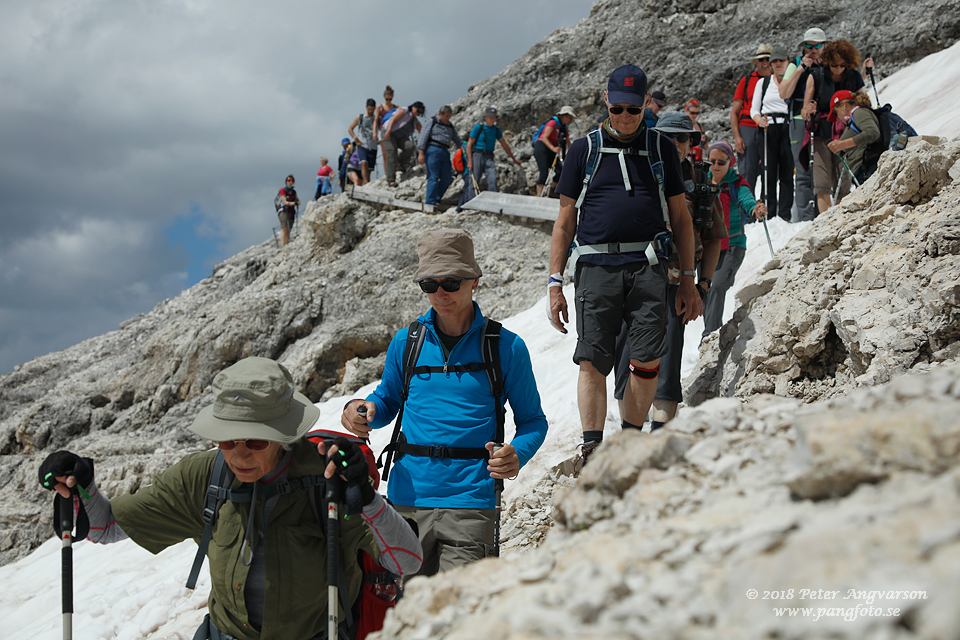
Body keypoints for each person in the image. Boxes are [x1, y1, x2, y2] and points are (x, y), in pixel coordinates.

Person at [38, 357, 422, 640]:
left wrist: (367, 499)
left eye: (254, 441)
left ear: (284, 434)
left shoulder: (325, 478)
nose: (239, 455)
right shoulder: (203, 477)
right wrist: (82, 489)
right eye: (226, 440)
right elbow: (105, 527)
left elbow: (406, 560)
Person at [341, 229, 548, 575]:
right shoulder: (405, 342)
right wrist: (362, 409)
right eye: (429, 284)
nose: (440, 293)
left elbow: (533, 422)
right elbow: (388, 400)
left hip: (471, 504)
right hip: (406, 502)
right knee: (404, 617)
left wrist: (517, 454)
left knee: (460, 617)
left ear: (474, 281)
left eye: (451, 282)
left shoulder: (507, 347)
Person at [548, 65, 702, 464]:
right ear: (606, 100)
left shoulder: (661, 148)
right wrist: (553, 282)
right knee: (592, 357)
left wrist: (688, 279)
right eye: (618, 108)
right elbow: (565, 222)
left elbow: (682, 219)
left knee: (647, 357)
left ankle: (630, 442)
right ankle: (594, 449)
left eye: (633, 110)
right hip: (596, 268)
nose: (625, 117)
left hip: (649, 266)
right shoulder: (583, 150)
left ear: (645, 105)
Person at [611, 111, 727, 430]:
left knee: (667, 360)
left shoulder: (700, 182)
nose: (675, 144)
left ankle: (659, 436)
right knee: (626, 361)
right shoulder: (632, 173)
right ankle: (630, 435)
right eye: (667, 137)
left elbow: (715, 236)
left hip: (677, 284)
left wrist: (702, 283)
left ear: (690, 143)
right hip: (632, 281)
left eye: (682, 137)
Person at [701, 142, 768, 339]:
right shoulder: (703, 182)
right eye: (711, 161)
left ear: (731, 162)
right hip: (706, 247)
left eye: (721, 162)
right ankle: (711, 334)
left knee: (717, 286)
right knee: (706, 290)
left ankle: (710, 336)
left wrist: (755, 210)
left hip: (732, 246)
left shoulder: (737, 182)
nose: (715, 166)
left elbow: (747, 199)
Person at [803, 38, 865, 213]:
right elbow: (803, 111)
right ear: (828, 61)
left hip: (846, 133)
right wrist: (809, 110)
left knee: (844, 180)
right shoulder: (816, 76)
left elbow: (863, 102)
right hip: (821, 131)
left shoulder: (854, 77)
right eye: (834, 65)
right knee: (822, 183)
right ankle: (825, 222)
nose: (838, 69)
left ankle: (840, 220)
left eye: (842, 65)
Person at [779, 27, 827, 222]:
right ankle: (804, 218)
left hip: (823, 119)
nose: (813, 49)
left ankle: (822, 213)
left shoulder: (831, 65)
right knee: (803, 169)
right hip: (799, 120)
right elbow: (783, 92)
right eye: (809, 45)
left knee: (823, 170)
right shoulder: (795, 64)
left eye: (817, 46)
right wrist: (801, 69)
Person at [750, 45, 795, 222]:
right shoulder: (763, 83)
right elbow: (754, 108)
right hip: (768, 127)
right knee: (768, 171)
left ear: (787, 62)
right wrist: (758, 120)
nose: (777, 64)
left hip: (787, 127)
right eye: (774, 61)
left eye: (781, 61)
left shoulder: (792, 81)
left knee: (786, 171)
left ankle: (784, 214)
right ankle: (768, 213)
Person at [731, 44, 773, 193]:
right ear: (756, 61)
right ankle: (746, 212)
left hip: (770, 126)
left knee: (770, 171)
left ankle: (766, 211)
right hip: (748, 127)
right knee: (748, 171)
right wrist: (737, 137)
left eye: (768, 59)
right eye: (761, 59)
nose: (765, 63)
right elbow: (735, 112)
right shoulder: (747, 80)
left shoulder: (777, 81)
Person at [464, 107, 522, 199]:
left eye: (494, 117)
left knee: (492, 178)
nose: (492, 119)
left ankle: (493, 201)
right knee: (474, 179)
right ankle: (470, 203)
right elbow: (469, 144)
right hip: (477, 154)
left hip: (489, 155)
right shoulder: (478, 127)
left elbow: (504, 144)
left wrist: (513, 159)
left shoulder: (496, 129)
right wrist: (470, 161)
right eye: (490, 117)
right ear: (485, 117)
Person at [826, 90, 881, 183]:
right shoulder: (854, 117)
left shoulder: (859, 113)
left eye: (836, 113)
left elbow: (872, 132)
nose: (837, 118)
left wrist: (842, 144)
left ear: (844, 105)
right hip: (864, 170)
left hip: (868, 169)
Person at [417, 105, 463, 207]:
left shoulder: (449, 125)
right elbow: (423, 136)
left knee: (447, 178)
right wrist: (421, 153)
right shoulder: (431, 121)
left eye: (449, 116)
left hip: (445, 152)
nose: (447, 118)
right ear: (440, 114)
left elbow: (457, 139)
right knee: (433, 177)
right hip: (433, 150)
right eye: (446, 116)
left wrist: (466, 146)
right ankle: (430, 202)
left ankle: (437, 198)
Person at [533, 106, 577, 196]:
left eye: (570, 117)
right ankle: (538, 196)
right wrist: (553, 148)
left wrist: (575, 154)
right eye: (567, 116)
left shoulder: (564, 128)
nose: (568, 119)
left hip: (551, 149)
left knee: (560, 171)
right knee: (544, 173)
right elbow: (544, 137)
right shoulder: (553, 122)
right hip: (542, 147)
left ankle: (551, 191)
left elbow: (569, 143)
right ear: (562, 115)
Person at [381, 102, 425, 187]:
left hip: (401, 137)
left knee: (410, 146)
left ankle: (401, 163)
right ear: (413, 106)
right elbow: (393, 119)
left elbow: (422, 133)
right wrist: (388, 132)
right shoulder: (403, 111)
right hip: (389, 133)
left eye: (420, 112)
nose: (418, 112)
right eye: (417, 110)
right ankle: (391, 180)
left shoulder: (415, 122)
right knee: (391, 152)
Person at [349, 98, 379, 184]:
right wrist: (355, 138)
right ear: (366, 107)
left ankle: (366, 183)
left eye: (372, 109)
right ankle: (366, 183)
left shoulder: (377, 118)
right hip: (362, 145)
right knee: (363, 163)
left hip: (373, 146)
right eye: (369, 109)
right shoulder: (360, 117)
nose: (371, 111)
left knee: (369, 169)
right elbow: (350, 129)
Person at [277, 174, 300, 246]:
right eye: (289, 180)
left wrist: (296, 202)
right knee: (284, 228)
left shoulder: (294, 192)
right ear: (286, 181)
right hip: (283, 211)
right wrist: (294, 203)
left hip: (291, 211)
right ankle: (283, 245)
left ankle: (286, 244)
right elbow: (285, 202)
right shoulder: (283, 190)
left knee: (289, 230)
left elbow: (298, 202)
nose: (290, 182)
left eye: (292, 180)